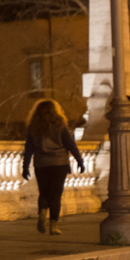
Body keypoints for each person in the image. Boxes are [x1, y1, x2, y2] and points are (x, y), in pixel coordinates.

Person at [21, 99, 85, 235]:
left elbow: (28, 149)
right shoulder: (59, 125)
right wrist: (80, 160)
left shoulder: (33, 127)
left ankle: (42, 215)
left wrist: (25, 167)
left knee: (44, 193)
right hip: (59, 163)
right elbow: (70, 144)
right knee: (56, 195)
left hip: (41, 163)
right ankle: (53, 226)